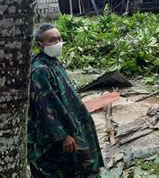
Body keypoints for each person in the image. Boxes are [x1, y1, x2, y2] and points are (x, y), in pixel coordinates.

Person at [28, 24, 104, 177]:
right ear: (39, 45)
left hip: (73, 124)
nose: (58, 43)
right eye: (52, 40)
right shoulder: (39, 70)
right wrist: (62, 136)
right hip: (55, 136)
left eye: (59, 38)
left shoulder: (53, 62)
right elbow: (46, 107)